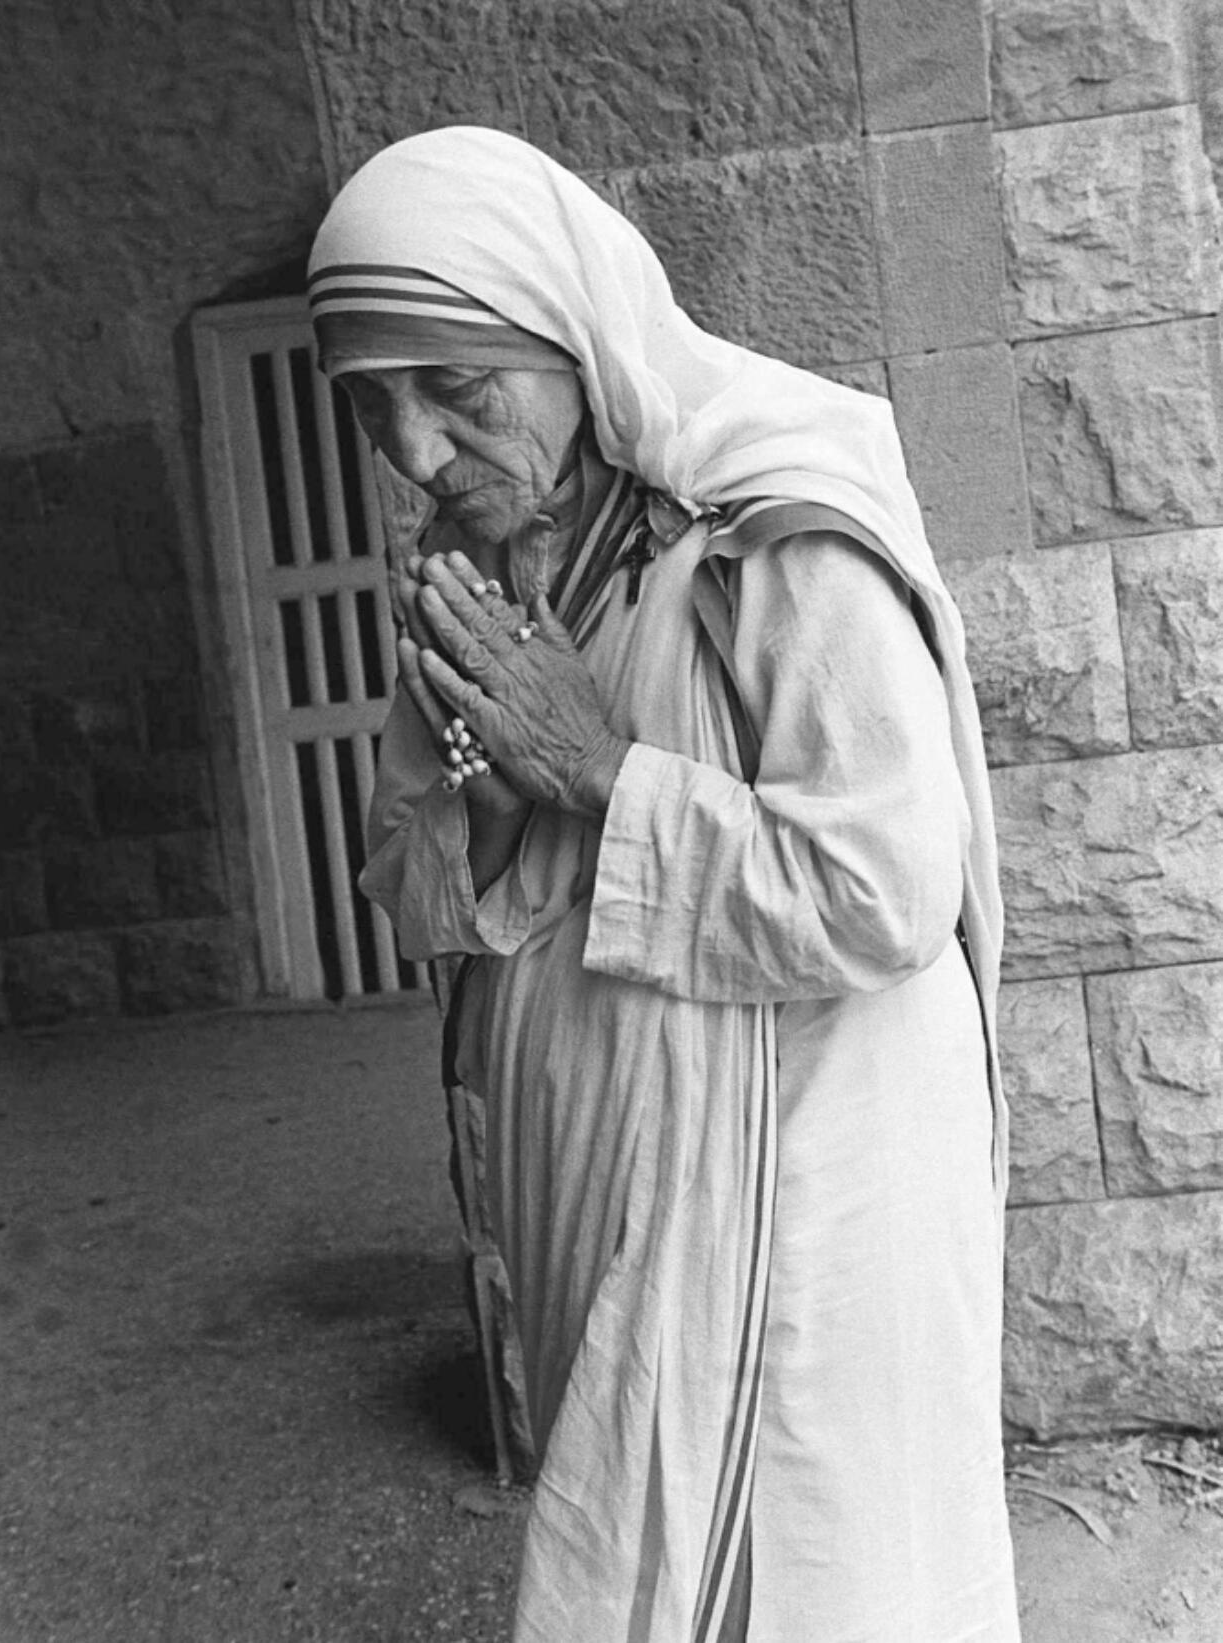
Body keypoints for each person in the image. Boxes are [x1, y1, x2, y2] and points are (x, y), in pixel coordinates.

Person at [308, 125, 1021, 1642]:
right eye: (372, 407)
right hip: (603, 1186)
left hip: (801, 1190)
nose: (417, 453)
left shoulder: (774, 531)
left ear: (568, 336)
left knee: (813, 1575)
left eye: (455, 387)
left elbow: (883, 889)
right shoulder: (495, 563)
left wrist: (597, 771)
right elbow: (420, 890)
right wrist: (474, 773)